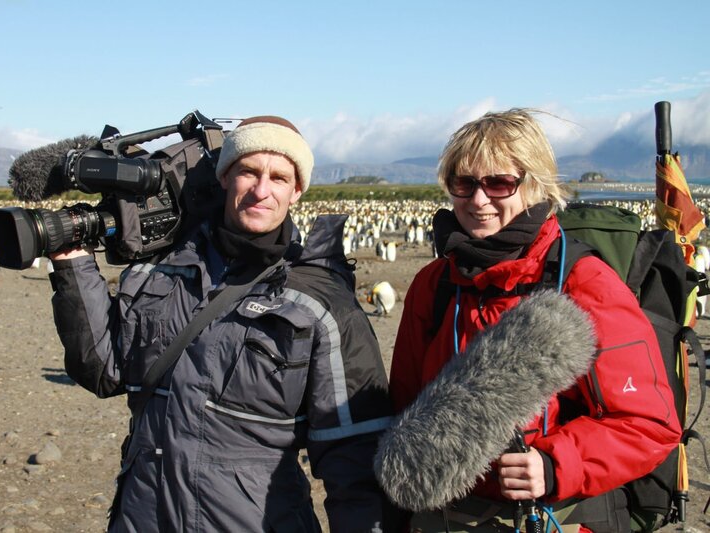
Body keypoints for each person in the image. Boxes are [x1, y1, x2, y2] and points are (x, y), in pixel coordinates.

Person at [48, 116, 395, 532]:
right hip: (142, 519)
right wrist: (72, 265)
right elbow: (104, 370)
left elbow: (356, 456)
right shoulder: (159, 270)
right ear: (225, 176)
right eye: (248, 171)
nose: (262, 190)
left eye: (279, 178)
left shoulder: (320, 302)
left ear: (297, 190)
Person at [388, 109, 681, 531]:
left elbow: (649, 424)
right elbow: (404, 404)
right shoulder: (435, 284)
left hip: (547, 515)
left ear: (535, 185)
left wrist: (555, 464)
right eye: (463, 183)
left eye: (499, 182)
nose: (478, 200)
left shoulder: (584, 283)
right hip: (448, 514)